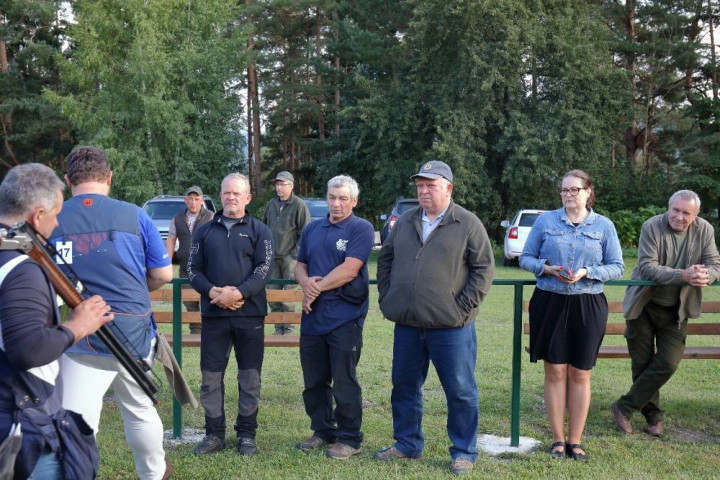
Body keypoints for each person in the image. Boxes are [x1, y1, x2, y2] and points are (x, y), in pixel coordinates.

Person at [50, 146, 174, 480]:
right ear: (109, 177)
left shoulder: (50, 219)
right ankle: (154, 473)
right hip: (133, 332)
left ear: (67, 181)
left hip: (82, 333)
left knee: (78, 420)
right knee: (140, 411)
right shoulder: (135, 214)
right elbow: (163, 275)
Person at [375, 161, 495, 475]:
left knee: (460, 391)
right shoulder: (406, 220)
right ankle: (407, 444)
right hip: (408, 324)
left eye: (430, 185)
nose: (423, 191)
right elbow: (386, 258)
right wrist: (388, 297)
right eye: (420, 185)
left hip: (451, 327)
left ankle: (464, 451)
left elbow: (484, 270)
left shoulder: (467, 222)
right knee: (403, 386)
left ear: (448, 188)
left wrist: (461, 309)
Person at [0, 163, 113, 479]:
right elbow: (28, 349)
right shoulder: (22, 269)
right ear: (37, 216)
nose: (58, 221)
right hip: (23, 426)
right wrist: (77, 326)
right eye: (56, 213)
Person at [519, 169, 624, 461]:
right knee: (554, 371)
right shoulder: (546, 221)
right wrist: (546, 268)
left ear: (588, 191)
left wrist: (588, 272)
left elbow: (617, 266)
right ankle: (557, 440)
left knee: (580, 372)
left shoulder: (603, 225)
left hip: (588, 304)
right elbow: (525, 258)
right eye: (564, 190)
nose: (568, 195)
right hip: (549, 301)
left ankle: (575, 441)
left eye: (574, 190)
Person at [610, 190, 720, 437]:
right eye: (675, 210)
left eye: (686, 213)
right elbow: (647, 268)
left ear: (696, 215)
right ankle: (654, 417)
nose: (679, 216)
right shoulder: (652, 226)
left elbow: (715, 264)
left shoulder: (704, 230)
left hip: (676, 310)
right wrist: (683, 275)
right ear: (668, 208)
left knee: (668, 362)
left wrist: (706, 275)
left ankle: (624, 406)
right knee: (642, 363)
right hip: (643, 305)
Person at [188, 173, 273, 456]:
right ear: (220, 195)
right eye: (227, 192)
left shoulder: (261, 230)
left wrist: (238, 293)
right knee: (210, 378)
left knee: (250, 378)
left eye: (237, 193)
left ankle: (247, 435)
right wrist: (213, 292)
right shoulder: (204, 231)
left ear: (247, 197)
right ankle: (214, 434)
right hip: (214, 316)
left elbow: (263, 269)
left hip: (250, 315)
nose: (231, 197)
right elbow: (193, 270)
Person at [294, 175, 374, 460]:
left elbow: (350, 270)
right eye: (332, 197)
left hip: (345, 318)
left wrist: (314, 288)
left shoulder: (361, 228)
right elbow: (299, 265)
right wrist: (306, 283)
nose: (336, 203)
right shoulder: (313, 228)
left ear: (354, 201)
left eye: (343, 198)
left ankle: (350, 438)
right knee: (314, 381)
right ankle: (323, 430)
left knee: (344, 381)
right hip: (313, 318)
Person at [263, 171, 310, 335]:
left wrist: (294, 255)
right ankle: (278, 328)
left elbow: (305, 232)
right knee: (273, 293)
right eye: (277, 184)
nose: (279, 188)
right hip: (272, 257)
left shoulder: (299, 205)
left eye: (283, 184)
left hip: (290, 258)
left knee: (288, 294)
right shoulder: (271, 204)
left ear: (291, 186)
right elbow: (264, 227)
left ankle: (289, 329)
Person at [165, 186, 214, 334]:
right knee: (189, 302)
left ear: (201, 200)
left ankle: (210, 332)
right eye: (190, 199)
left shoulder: (211, 217)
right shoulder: (177, 218)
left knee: (208, 300)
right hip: (185, 268)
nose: (193, 202)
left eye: (196, 199)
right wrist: (167, 264)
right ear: (185, 200)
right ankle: (195, 332)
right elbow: (171, 240)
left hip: (207, 269)